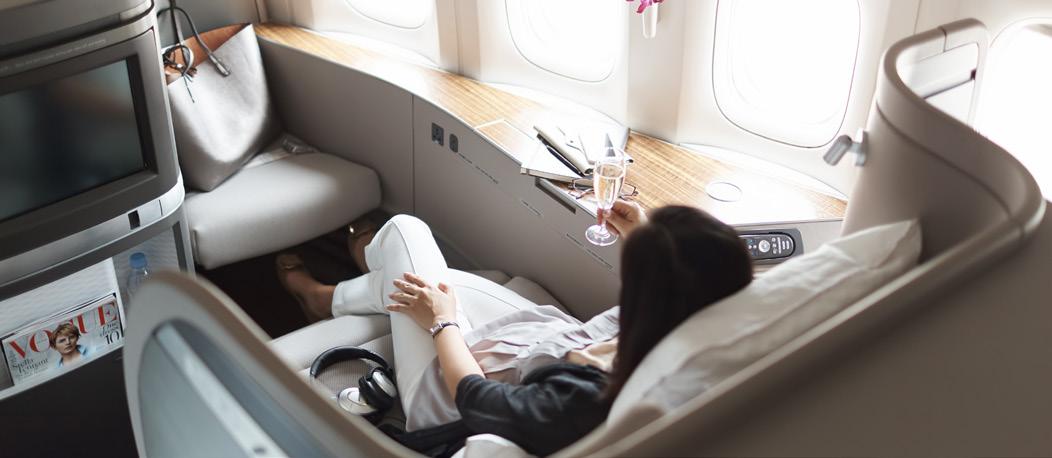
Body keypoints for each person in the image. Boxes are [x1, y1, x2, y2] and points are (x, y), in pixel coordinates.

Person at [278, 200, 753, 456]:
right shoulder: (695, 318)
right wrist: (643, 233)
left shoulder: (581, 402)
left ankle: (331, 293)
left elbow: (477, 399)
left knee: (405, 231)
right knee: (415, 275)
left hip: (448, 394)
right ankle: (363, 279)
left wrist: (442, 321)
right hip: (532, 339)